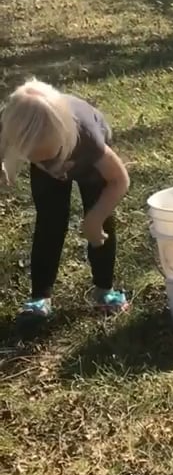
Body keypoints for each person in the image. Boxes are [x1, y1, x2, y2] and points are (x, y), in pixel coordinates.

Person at [0, 77, 131, 320]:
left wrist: (95, 217)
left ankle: (105, 290)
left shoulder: (88, 138)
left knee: (99, 226)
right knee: (49, 222)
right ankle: (40, 296)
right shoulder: (13, 123)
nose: (51, 165)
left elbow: (119, 179)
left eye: (52, 155)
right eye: (37, 159)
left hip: (88, 165)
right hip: (61, 153)